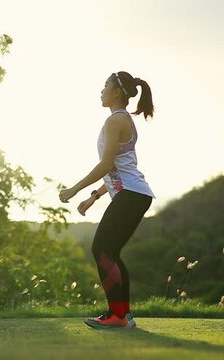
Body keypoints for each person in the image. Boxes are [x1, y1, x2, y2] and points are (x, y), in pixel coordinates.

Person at [58, 71, 155, 329]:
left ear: (116, 91)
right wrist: (94, 197)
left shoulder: (115, 121)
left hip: (132, 195)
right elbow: (117, 170)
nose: (101, 91)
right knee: (109, 251)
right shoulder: (122, 120)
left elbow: (106, 165)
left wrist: (74, 189)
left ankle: (118, 316)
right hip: (134, 194)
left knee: (102, 250)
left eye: (105, 86)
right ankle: (123, 315)